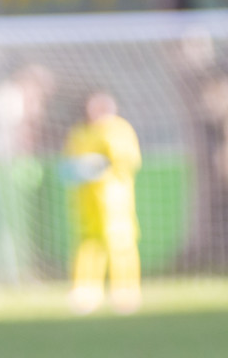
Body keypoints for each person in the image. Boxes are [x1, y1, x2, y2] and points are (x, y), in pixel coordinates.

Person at [62, 91, 143, 314]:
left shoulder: (119, 130)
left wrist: (100, 165)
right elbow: (69, 162)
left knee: (120, 243)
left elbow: (128, 160)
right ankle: (86, 291)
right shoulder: (80, 132)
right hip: (86, 200)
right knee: (88, 243)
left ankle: (126, 292)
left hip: (114, 199)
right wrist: (78, 168)